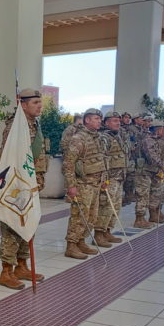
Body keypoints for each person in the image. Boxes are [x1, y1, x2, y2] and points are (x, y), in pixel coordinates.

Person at [0, 89, 46, 290]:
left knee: (30, 224)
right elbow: (11, 157)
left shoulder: (35, 125)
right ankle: (6, 271)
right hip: (18, 185)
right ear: (23, 105)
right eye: (35, 102)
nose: (39, 105)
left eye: (39, 102)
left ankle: (22, 265)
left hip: (33, 184)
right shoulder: (15, 127)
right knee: (12, 227)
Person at [63, 108, 108, 260]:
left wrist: (104, 179)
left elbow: (102, 159)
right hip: (83, 184)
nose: (99, 121)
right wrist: (71, 185)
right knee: (79, 216)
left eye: (100, 119)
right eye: (96, 118)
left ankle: (81, 241)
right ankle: (71, 245)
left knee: (91, 217)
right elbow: (68, 163)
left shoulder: (98, 138)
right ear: (87, 120)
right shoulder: (78, 138)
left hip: (96, 183)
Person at [93, 112, 126, 248]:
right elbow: (101, 158)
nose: (117, 123)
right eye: (114, 121)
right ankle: (98, 234)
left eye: (118, 120)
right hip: (109, 178)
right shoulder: (104, 138)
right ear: (107, 123)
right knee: (105, 206)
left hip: (119, 177)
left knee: (115, 206)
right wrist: (103, 178)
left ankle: (107, 230)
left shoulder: (117, 137)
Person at [134, 119, 164, 228]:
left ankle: (152, 215)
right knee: (143, 195)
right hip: (143, 172)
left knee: (154, 193)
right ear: (157, 130)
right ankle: (139, 219)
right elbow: (152, 156)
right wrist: (163, 166)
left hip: (152, 171)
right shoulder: (148, 140)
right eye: (161, 129)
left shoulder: (156, 140)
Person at [120, 112, 136, 205]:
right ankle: (121, 198)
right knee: (121, 177)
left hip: (129, 156)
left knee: (129, 177)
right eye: (126, 117)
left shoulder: (130, 129)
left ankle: (128, 195)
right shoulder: (118, 129)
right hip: (121, 156)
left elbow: (133, 140)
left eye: (129, 118)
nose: (127, 119)